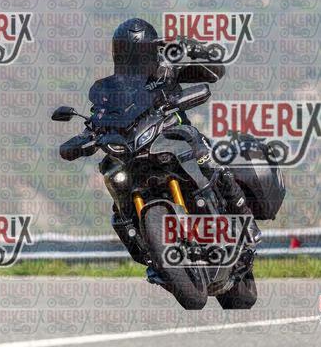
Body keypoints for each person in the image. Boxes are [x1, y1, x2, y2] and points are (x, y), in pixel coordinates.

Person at [92, 18, 261, 278]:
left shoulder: (167, 68)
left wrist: (194, 49)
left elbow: (215, 71)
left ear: (151, 49)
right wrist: (85, 136)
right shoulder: (112, 91)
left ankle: (245, 220)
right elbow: (98, 117)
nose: (134, 59)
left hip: (178, 138)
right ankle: (150, 254)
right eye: (128, 53)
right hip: (137, 150)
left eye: (139, 52)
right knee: (117, 194)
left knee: (211, 162)